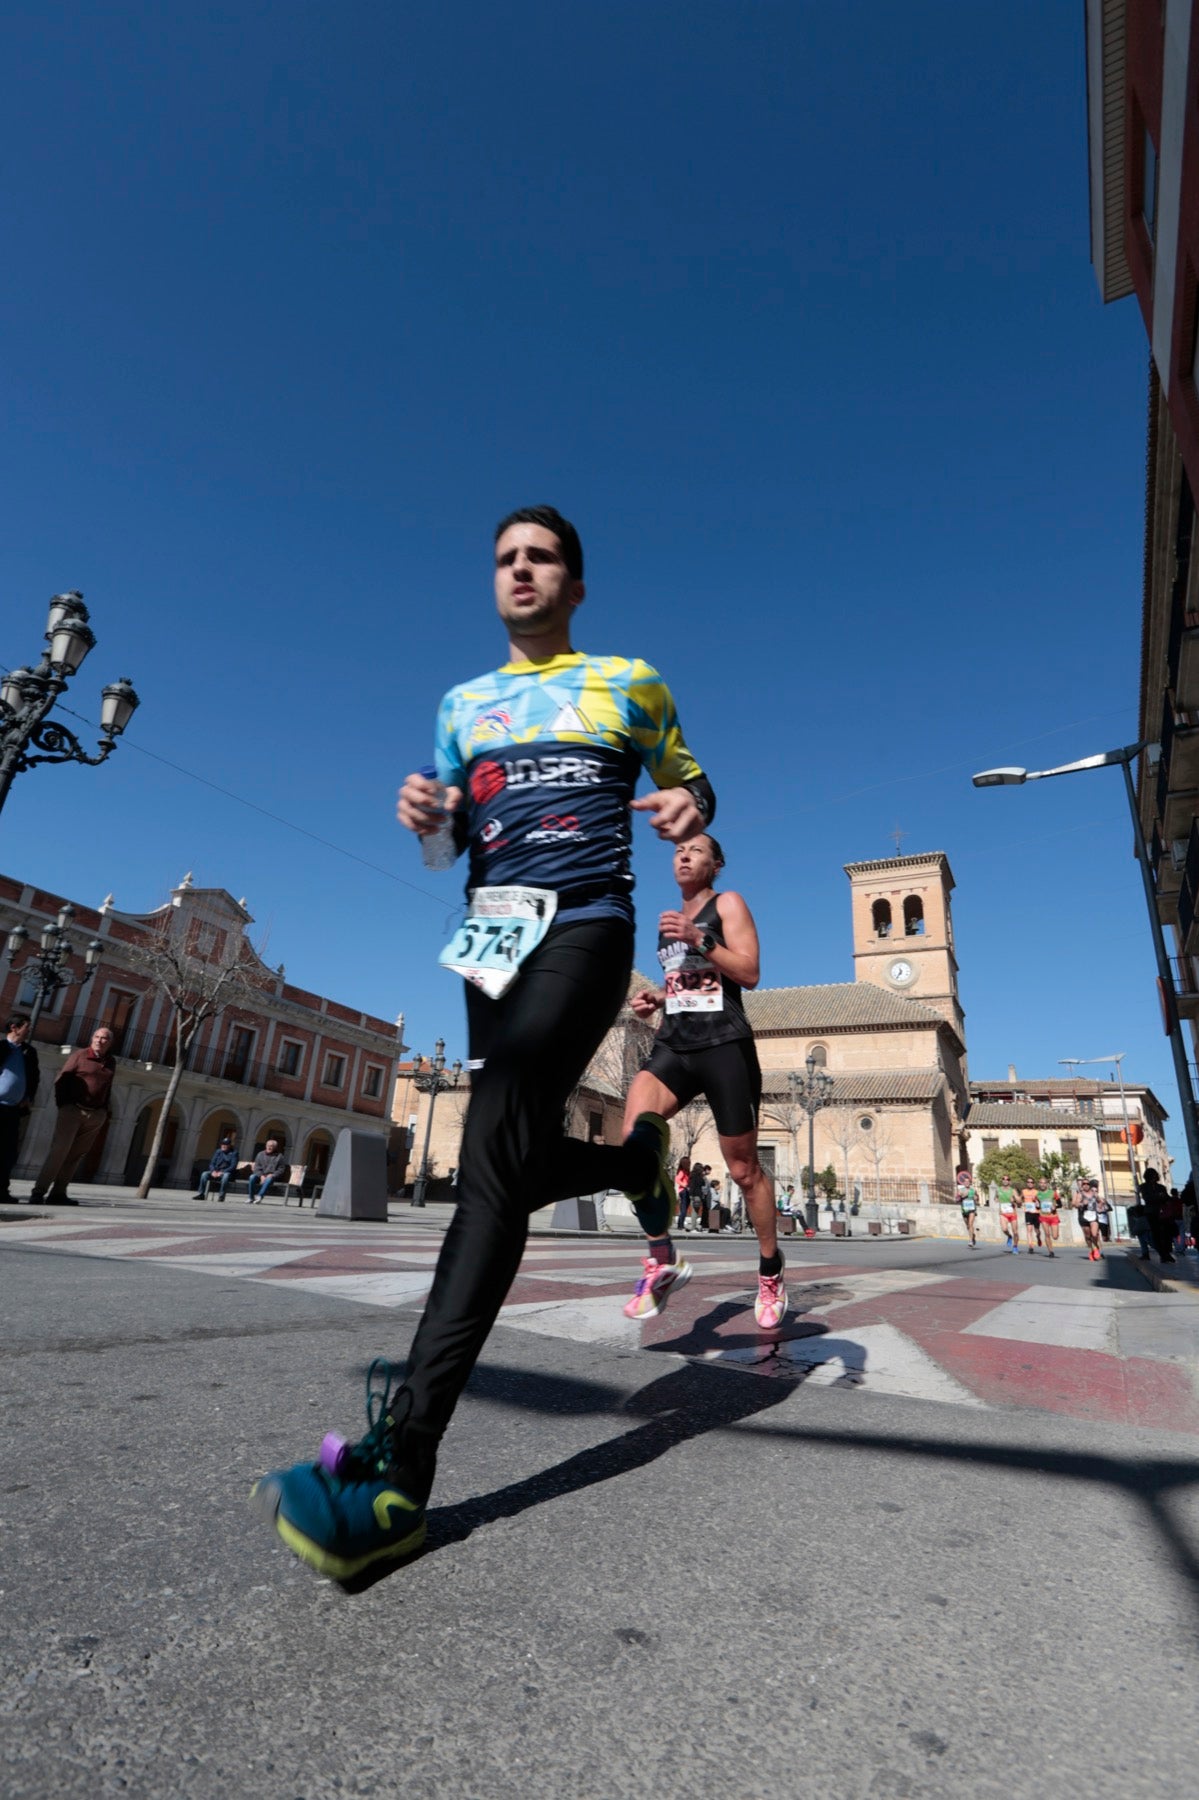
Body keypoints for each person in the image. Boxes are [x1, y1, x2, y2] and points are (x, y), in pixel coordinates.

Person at [253, 504, 715, 1581]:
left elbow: (693, 784)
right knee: (494, 1162)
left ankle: (398, 1470)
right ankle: (628, 1160)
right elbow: (454, 834)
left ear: (575, 583)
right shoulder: (463, 705)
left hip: (587, 925)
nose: (519, 570)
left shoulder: (629, 681)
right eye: (504, 558)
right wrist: (431, 818)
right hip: (488, 939)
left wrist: (691, 806)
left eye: (540, 556)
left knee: (490, 1162)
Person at [620, 833, 784, 1325]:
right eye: (677, 850)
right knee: (633, 1141)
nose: (683, 855)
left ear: (716, 864)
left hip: (724, 1046)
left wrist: (700, 938)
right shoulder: (666, 926)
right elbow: (693, 988)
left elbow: (749, 972)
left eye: (695, 850)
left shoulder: (727, 904)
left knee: (742, 1170)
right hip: (674, 1044)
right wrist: (658, 998)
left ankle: (771, 1271)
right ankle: (661, 1259)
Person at [30, 1025, 116, 1205]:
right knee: (59, 1151)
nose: (100, 1041)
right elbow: (62, 1080)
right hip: (72, 1111)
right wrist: (64, 1105)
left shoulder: (111, 1062)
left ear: (110, 1042)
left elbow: (107, 1087)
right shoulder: (80, 1056)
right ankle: (39, 1192)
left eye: (104, 1038)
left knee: (76, 1155)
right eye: (97, 1037)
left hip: (95, 1115)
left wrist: (103, 1110)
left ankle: (58, 1193)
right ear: (92, 1038)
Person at [0, 1015, 40, 1204]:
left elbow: (34, 1078)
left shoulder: (29, 1052)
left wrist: (28, 1097)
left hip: (14, 1110)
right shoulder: (0, 1048)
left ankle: (1, 1189)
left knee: (8, 1151)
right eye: (26, 1027)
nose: (29, 1030)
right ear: (14, 1028)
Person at [1142, 1167, 1180, 1263]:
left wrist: (1161, 1197)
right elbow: (1147, 1198)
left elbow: (1167, 1198)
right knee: (1156, 1235)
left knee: (1165, 1235)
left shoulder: (1161, 1187)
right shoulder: (1144, 1187)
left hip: (1162, 1213)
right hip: (1151, 1213)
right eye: (1152, 1175)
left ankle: (1166, 1254)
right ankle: (1164, 1255)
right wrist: (1159, 1196)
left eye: (1155, 1175)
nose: (1154, 1177)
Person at [198, 1134, 239, 1202]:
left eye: (225, 1144)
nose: (223, 1145)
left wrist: (222, 1172)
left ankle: (221, 1196)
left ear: (229, 1145)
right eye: (222, 1144)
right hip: (216, 1171)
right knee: (204, 1174)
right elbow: (212, 1163)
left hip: (226, 1172)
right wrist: (213, 1171)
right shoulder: (218, 1151)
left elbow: (233, 1166)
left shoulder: (234, 1153)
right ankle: (201, 1194)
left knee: (226, 1176)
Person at [246, 1137, 287, 1204]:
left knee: (268, 1179)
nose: (269, 1147)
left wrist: (273, 1175)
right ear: (266, 1146)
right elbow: (257, 1167)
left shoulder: (279, 1156)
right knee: (252, 1177)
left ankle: (259, 1196)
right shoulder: (260, 1154)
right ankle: (251, 1197)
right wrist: (261, 1175)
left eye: (271, 1146)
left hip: (272, 1177)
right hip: (260, 1175)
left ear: (275, 1147)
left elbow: (281, 1169)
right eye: (268, 1146)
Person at [1077, 1182, 1103, 1261]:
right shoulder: (1080, 1194)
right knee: (1088, 1236)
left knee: (1094, 1235)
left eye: (1087, 1184)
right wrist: (1081, 1204)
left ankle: (1096, 1248)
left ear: (1090, 1185)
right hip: (1084, 1216)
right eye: (1084, 1184)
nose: (1086, 1185)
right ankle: (1091, 1250)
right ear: (1082, 1186)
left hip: (1093, 1216)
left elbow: (1100, 1201)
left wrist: (1099, 1207)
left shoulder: (1094, 1194)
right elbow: (1075, 1204)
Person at [956, 1167, 979, 1247]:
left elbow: (977, 1197)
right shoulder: (961, 1190)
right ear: (963, 1183)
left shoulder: (973, 1190)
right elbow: (957, 1199)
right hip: (964, 1209)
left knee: (971, 1224)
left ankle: (970, 1241)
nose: (966, 1183)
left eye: (968, 1181)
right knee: (967, 1225)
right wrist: (960, 1197)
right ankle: (973, 1236)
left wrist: (976, 1198)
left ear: (970, 1182)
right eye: (965, 1182)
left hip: (972, 1209)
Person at [996, 1180, 1019, 1253]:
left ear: (1009, 1181)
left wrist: (1014, 1200)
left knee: (1015, 1232)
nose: (1005, 1181)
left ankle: (1015, 1247)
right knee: (1004, 1229)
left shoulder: (1013, 1191)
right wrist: (997, 1199)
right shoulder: (998, 1190)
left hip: (1012, 1213)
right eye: (1003, 1179)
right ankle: (1009, 1236)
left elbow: (1019, 1201)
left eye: (1007, 1179)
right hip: (1003, 1213)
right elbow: (996, 1198)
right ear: (1002, 1181)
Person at [1037, 1182, 1060, 1257]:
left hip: (1053, 1216)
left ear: (1047, 1184)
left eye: (1044, 1183)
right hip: (1043, 1217)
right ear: (1039, 1184)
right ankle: (1050, 1251)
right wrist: (1037, 1205)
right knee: (1047, 1234)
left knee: (1055, 1237)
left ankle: (1055, 1235)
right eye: (1041, 1183)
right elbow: (1037, 1205)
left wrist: (1055, 1207)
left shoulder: (1053, 1193)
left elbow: (1060, 1204)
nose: (1042, 1184)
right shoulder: (1038, 1194)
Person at [1021, 1179, 1041, 1254]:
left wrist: (1037, 1202)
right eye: (1028, 1182)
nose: (1030, 1183)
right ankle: (1030, 1246)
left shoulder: (1037, 1192)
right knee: (1029, 1230)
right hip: (1028, 1212)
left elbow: (1040, 1202)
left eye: (1031, 1182)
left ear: (1033, 1184)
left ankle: (1038, 1237)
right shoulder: (1024, 1191)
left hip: (1036, 1213)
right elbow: (1020, 1199)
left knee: (1037, 1230)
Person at [674, 1156, 692, 1230]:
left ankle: (680, 1224)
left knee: (684, 1209)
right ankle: (681, 1225)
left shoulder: (686, 1171)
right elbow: (677, 1179)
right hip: (683, 1191)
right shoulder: (682, 1171)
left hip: (685, 1191)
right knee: (684, 1209)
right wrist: (685, 1185)